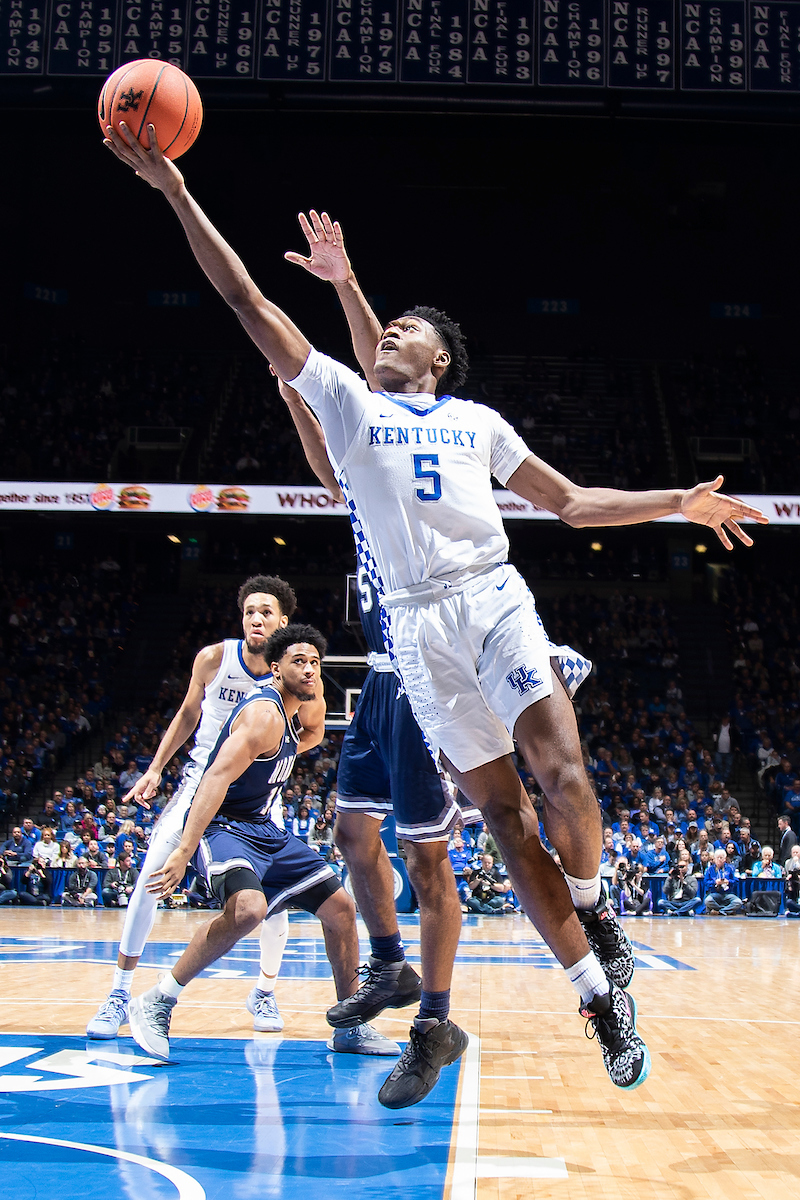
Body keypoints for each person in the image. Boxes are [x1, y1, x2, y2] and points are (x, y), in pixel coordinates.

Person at [103, 124, 766, 1101]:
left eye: (407, 331)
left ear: (440, 362)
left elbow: (572, 504)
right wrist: (171, 188)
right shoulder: (347, 403)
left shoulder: (474, 423)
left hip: (490, 595)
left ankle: (593, 908)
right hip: (412, 632)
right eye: (384, 328)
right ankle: (594, 996)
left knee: (562, 774)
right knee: (499, 817)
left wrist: (678, 500)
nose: (388, 335)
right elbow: (246, 297)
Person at [128, 625, 398, 1062]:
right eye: (299, 662)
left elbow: (308, 735)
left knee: (341, 908)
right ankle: (158, 999)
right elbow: (214, 777)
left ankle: (351, 1026)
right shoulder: (264, 716)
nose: (310, 669)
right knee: (249, 910)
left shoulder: (298, 714)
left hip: (261, 828)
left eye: (314, 662)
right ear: (275, 668)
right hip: (222, 826)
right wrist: (183, 850)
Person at [87, 575, 316, 1041]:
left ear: (283, 621)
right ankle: (119, 993)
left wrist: (273, 762)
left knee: (277, 903)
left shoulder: (296, 671)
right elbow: (188, 714)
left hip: (255, 803)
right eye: (250, 610)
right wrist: (155, 768)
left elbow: (312, 730)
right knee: (151, 880)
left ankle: (264, 991)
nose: (256, 618)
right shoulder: (215, 658)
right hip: (200, 786)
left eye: (266, 612)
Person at [703, 848, 744, 915]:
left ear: (724, 859)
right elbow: (706, 882)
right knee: (707, 901)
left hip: (727, 894)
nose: (719, 860)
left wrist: (728, 881)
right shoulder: (710, 869)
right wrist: (715, 882)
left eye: (721, 858)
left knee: (738, 902)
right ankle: (725, 910)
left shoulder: (730, 868)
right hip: (714, 893)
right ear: (714, 859)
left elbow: (736, 880)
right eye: (717, 858)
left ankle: (719, 911)